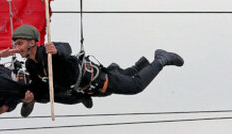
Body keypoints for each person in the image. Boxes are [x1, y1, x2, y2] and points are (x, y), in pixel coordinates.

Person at [10, 24, 184, 102]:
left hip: (96, 79)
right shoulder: (31, 66)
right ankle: (134, 66)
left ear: (32, 42)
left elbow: (67, 48)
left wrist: (56, 50)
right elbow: (40, 87)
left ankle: (161, 59)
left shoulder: (48, 52)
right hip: (87, 89)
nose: (17, 48)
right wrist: (30, 95)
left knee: (135, 86)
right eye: (15, 44)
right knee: (117, 77)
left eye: (20, 44)